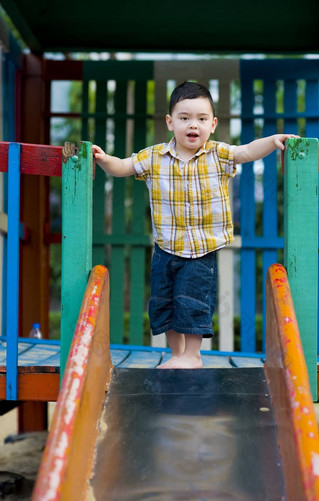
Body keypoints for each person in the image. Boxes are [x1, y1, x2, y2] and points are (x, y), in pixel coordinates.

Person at [93, 81, 297, 370]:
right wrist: (103, 160)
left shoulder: (218, 154)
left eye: (201, 119)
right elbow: (124, 167)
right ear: (170, 122)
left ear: (213, 124)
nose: (193, 125)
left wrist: (272, 139)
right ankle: (178, 355)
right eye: (184, 118)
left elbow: (247, 151)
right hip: (165, 248)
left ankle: (192, 355)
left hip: (201, 250)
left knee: (192, 302)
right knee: (164, 304)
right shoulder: (154, 157)